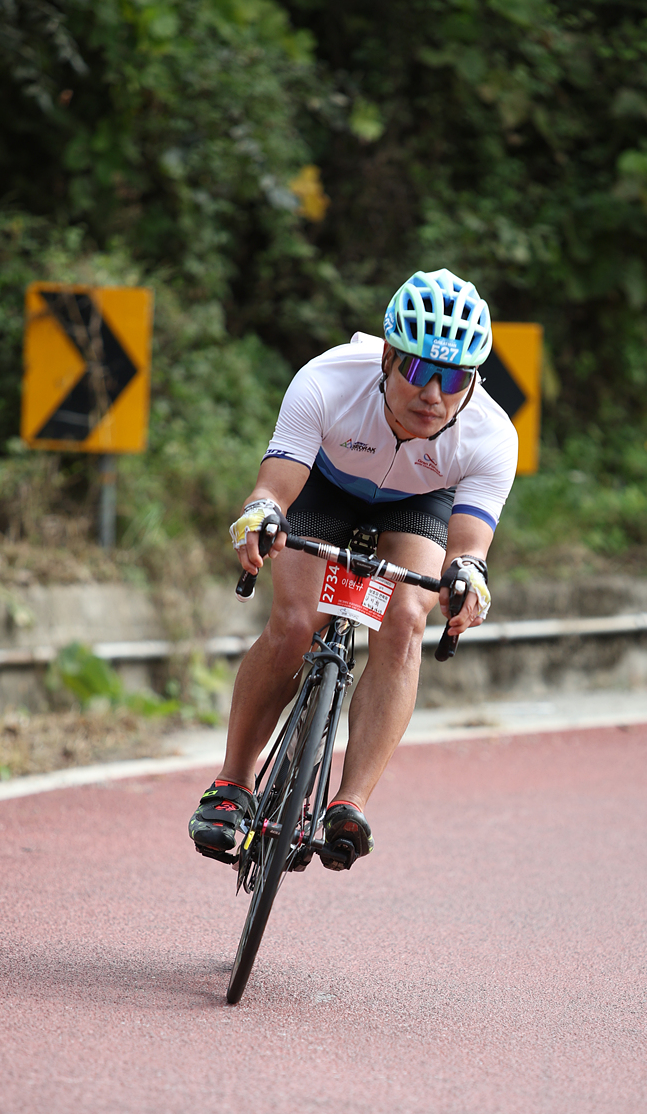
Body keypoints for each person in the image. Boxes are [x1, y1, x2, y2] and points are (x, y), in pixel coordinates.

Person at [189, 269, 517, 868]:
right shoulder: (327, 380)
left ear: (473, 381)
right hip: (326, 486)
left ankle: (351, 802)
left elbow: (468, 547)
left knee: (407, 618)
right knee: (296, 623)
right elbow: (274, 489)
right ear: (388, 357)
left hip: (419, 502)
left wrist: (469, 576)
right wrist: (261, 514)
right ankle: (232, 783)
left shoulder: (491, 434)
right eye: (419, 370)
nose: (434, 394)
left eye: (454, 379)